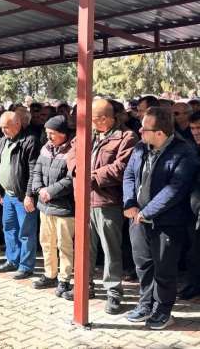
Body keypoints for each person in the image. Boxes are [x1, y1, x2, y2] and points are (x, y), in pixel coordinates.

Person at [123, 106, 200, 330]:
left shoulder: (184, 153)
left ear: (159, 133)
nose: (139, 131)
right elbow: (129, 175)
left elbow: (175, 190)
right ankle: (146, 304)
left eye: (144, 128)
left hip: (167, 223)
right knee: (143, 265)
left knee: (164, 269)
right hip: (137, 220)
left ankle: (163, 310)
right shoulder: (140, 147)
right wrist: (130, 203)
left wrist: (146, 212)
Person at [64, 99, 138, 314]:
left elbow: (121, 167)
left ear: (106, 118)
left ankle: (114, 292)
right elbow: (71, 154)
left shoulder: (127, 137)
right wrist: (78, 171)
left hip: (108, 202)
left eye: (93, 118)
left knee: (110, 250)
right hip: (83, 200)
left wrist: (91, 176)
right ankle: (84, 286)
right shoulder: (87, 133)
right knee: (84, 247)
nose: (90, 122)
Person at [31, 115, 75, 298]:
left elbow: (71, 178)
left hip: (64, 208)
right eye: (47, 132)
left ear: (63, 134)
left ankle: (64, 279)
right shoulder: (45, 148)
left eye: (52, 133)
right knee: (46, 242)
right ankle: (50, 274)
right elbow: (37, 171)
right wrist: (39, 189)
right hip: (45, 206)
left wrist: (50, 191)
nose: (48, 137)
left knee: (64, 244)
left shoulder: (73, 150)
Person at [0, 111, 40, 279]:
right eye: (1, 127)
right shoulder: (3, 141)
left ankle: (26, 266)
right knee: (9, 228)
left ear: (17, 124)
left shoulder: (30, 140)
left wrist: (29, 195)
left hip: (22, 196)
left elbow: (34, 171)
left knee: (26, 232)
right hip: (7, 195)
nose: (3, 130)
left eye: (6, 127)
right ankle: (12, 260)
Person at [179, 111, 200, 300]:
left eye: (199, 128)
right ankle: (194, 284)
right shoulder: (189, 147)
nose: (196, 132)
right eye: (193, 128)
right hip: (191, 209)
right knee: (193, 248)